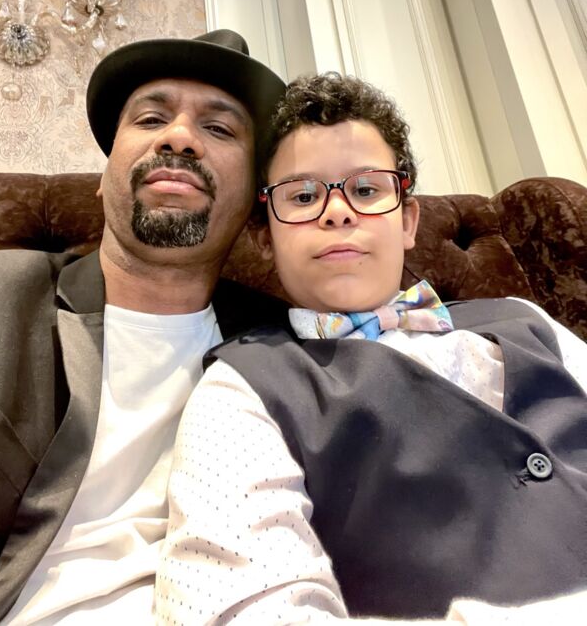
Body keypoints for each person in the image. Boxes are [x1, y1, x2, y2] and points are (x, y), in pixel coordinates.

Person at [157, 72, 587, 625]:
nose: (337, 211)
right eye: (303, 195)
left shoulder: (524, 315)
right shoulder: (239, 390)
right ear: (266, 238)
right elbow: (239, 608)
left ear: (408, 220)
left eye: (365, 190)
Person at [0, 29, 288, 625]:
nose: (179, 137)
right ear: (104, 177)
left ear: (257, 203)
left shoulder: (288, 345)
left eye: (218, 128)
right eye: (151, 118)